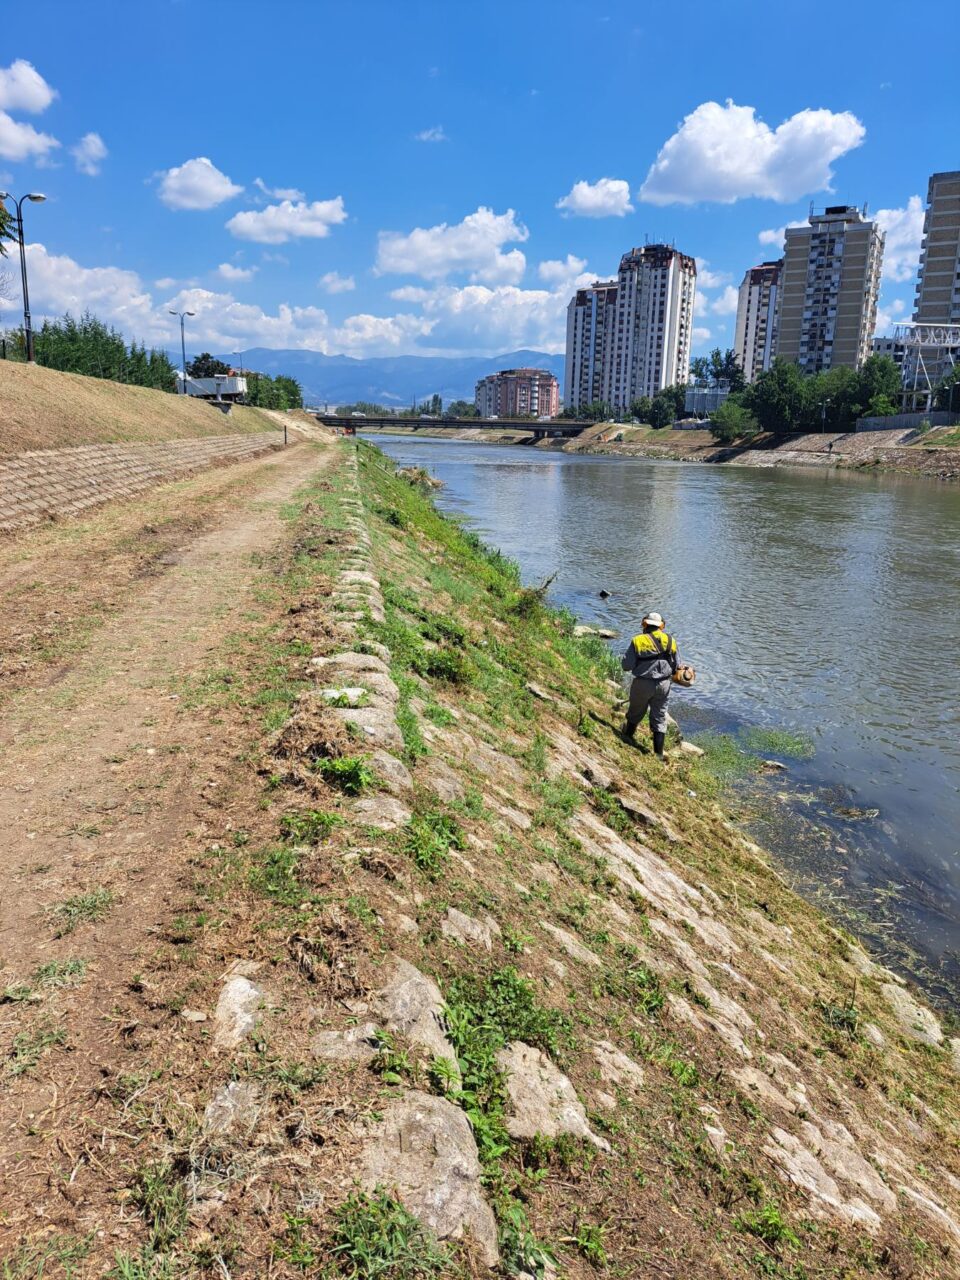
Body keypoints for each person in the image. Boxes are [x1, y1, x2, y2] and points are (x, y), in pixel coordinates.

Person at [621, 611, 680, 759]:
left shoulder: (638, 640)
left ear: (645, 624)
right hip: (664, 685)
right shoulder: (671, 641)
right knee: (659, 717)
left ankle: (627, 737)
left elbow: (626, 666)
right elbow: (677, 665)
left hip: (642, 683)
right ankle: (658, 755)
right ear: (661, 626)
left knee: (635, 712)